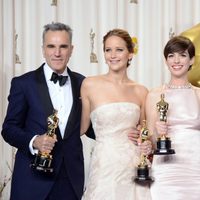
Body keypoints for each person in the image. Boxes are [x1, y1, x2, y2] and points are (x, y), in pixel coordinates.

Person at [1, 22, 92, 200]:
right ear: (43, 49)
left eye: (63, 46)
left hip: (70, 180)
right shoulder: (23, 83)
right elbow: (9, 129)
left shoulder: (83, 83)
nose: (57, 53)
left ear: (71, 49)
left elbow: (90, 126)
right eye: (51, 46)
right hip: (32, 180)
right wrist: (34, 141)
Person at [80, 28, 152, 200]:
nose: (112, 55)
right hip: (105, 164)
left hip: (133, 164)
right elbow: (80, 128)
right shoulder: (90, 84)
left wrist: (146, 141)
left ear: (130, 53)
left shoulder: (141, 91)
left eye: (119, 49)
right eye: (108, 50)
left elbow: (145, 132)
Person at [146, 35, 200, 199]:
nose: (176, 60)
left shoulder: (199, 95)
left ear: (191, 60)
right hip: (166, 170)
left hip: (196, 168)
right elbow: (151, 141)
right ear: (166, 60)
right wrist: (156, 131)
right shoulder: (154, 95)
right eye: (171, 55)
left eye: (182, 55)